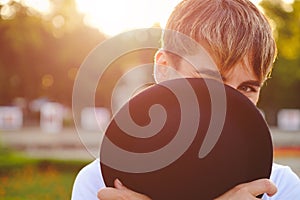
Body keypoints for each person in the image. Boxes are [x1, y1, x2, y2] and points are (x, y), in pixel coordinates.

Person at [71, 0, 300, 199]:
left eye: (248, 88)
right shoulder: (100, 184)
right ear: (164, 69)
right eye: (209, 82)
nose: (230, 106)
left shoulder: (279, 188)